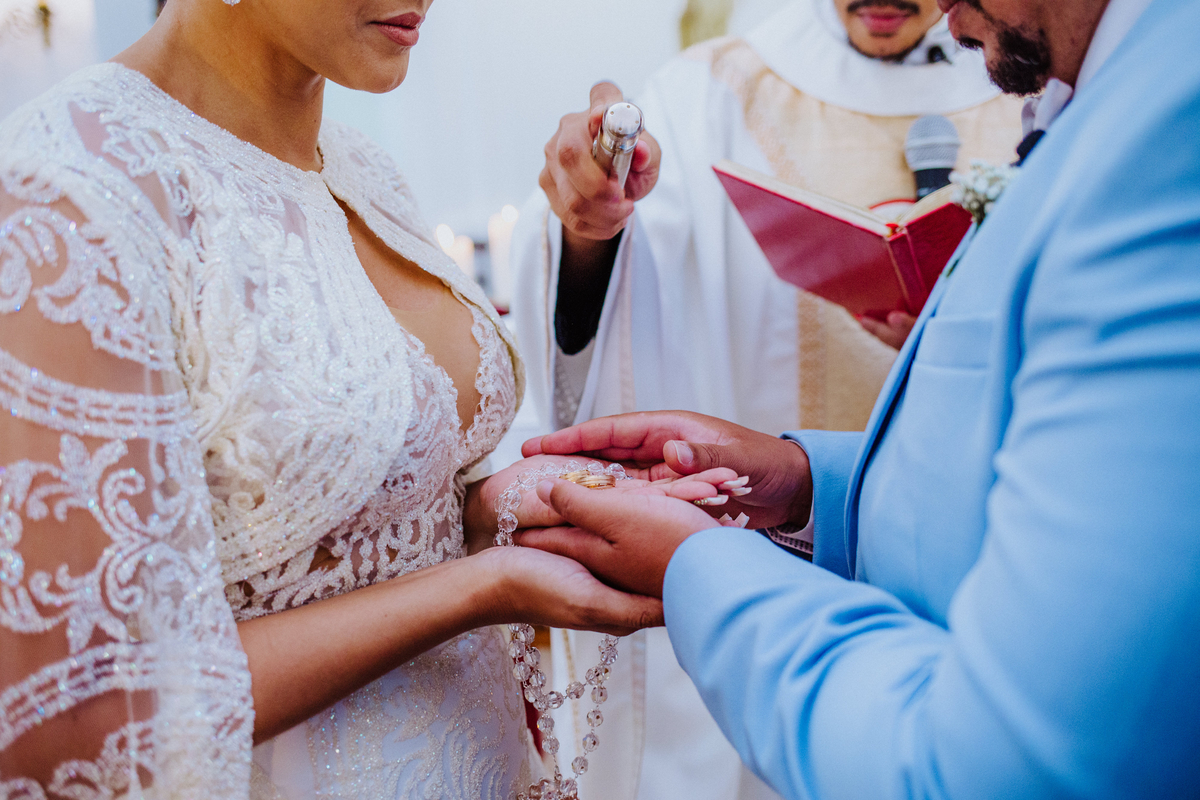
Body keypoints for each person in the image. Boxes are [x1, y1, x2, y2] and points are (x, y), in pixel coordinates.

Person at [0, 1, 746, 797]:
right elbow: (82, 723)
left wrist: (517, 504)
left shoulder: (359, 167)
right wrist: (485, 587)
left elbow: (371, 526)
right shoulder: (69, 195)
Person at [519, 0, 1200, 796]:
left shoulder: (1152, 116)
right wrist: (812, 486)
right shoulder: (714, 91)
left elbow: (1012, 760)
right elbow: (621, 316)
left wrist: (696, 562)